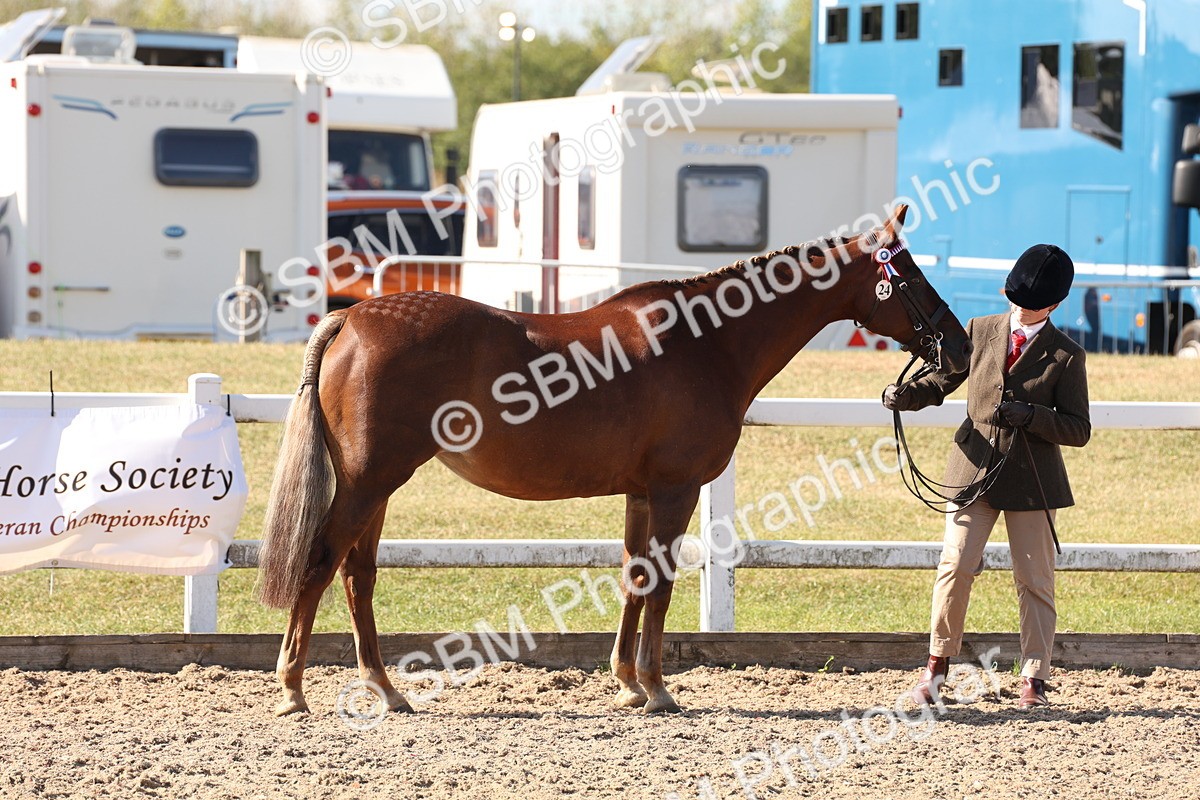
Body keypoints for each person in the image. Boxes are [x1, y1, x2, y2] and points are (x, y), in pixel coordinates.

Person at [883, 244, 1091, 709]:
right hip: (973, 471)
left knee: (1034, 578)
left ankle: (1034, 678)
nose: (1020, 309)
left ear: (1054, 306)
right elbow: (944, 379)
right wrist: (907, 396)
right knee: (955, 565)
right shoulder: (979, 330)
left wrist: (1032, 415)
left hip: (1031, 479)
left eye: (1031, 305)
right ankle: (935, 670)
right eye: (1014, 299)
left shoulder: (1067, 355)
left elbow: (1079, 429)